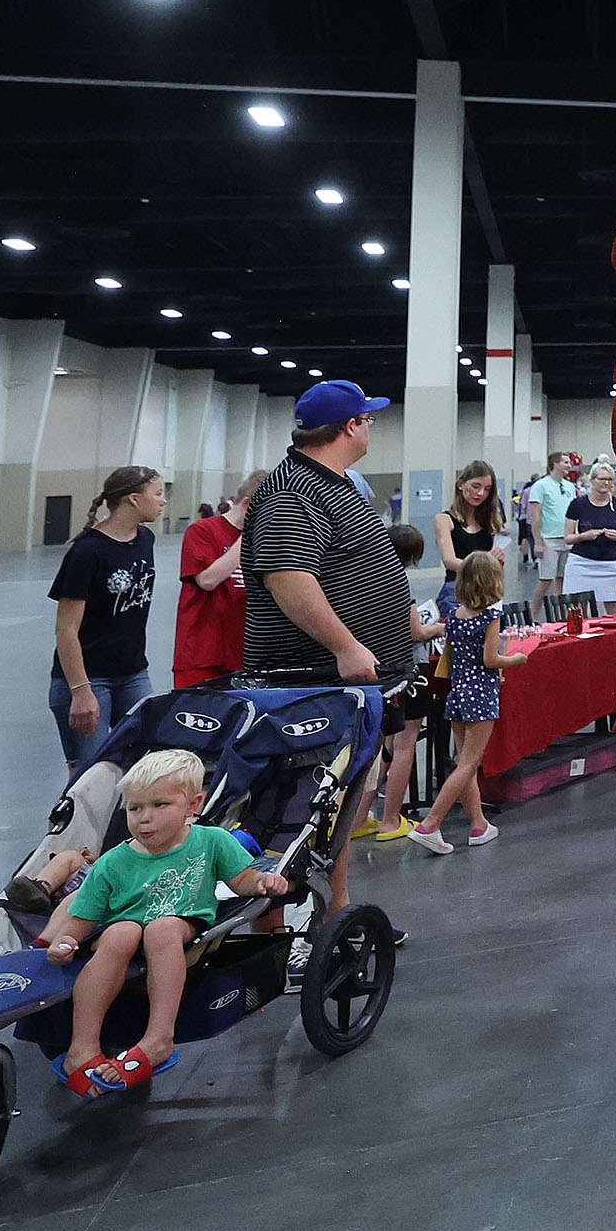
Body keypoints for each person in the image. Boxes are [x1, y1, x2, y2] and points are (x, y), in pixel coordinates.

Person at [240, 381, 413, 912]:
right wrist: (346, 646)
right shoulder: (294, 490)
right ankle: (285, 926)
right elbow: (287, 575)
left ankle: (334, 914)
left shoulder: (331, 483)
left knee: (331, 806)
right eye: (368, 418)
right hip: (307, 677)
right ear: (349, 427)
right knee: (300, 809)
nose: (370, 427)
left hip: (345, 681)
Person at [35, 748, 290, 1093]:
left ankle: (158, 1037)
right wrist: (66, 941)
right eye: (135, 808)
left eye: (160, 806)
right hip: (118, 928)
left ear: (193, 805)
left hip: (179, 924)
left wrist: (261, 882)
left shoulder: (212, 841)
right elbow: (85, 914)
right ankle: (81, 1049)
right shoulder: (113, 862)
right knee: (120, 933)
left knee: (162, 928)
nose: (144, 818)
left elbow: (240, 878)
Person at [50, 466, 166, 770]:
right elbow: (66, 628)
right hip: (89, 679)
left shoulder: (145, 540)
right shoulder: (87, 553)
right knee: (90, 777)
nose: (163, 501)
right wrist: (81, 690)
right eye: (158, 493)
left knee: (153, 760)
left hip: (133, 673)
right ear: (134, 500)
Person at [415, 549, 518, 852]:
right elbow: (490, 658)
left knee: (465, 764)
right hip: (481, 694)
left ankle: (479, 824)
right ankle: (431, 823)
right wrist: (514, 660)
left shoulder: (455, 617)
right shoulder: (492, 617)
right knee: (468, 764)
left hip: (457, 694)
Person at [351, 525, 443, 842]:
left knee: (379, 748)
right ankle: (391, 819)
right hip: (405, 668)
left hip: (377, 669)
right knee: (405, 744)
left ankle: (358, 818)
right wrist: (439, 627)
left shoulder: (364, 579)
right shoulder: (397, 581)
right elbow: (416, 632)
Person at [173, 472, 266, 689]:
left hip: (246, 654)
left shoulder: (269, 540)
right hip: (204, 655)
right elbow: (207, 580)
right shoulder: (202, 531)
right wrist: (249, 535)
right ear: (248, 505)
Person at [562, 458, 616, 610]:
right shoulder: (578, 504)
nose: (606, 483)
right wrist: (583, 536)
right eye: (602, 479)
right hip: (581, 563)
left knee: (615, 608)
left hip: (610, 565)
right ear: (592, 480)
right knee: (578, 609)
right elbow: (568, 538)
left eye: (610, 479)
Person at [433, 460, 507, 611]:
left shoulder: (489, 521)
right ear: (461, 484)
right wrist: (485, 564)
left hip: (487, 590)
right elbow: (449, 560)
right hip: (457, 590)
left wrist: (495, 559)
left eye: (487, 489)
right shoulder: (444, 519)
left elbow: (493, 561)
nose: (480, 493)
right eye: (475, 486)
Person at [526, 456, 576, 611]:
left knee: (562, 579)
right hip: (549, 540)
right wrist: (538, 542)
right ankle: (534, 614)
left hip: (567, 539)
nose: (569, 465)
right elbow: (535, 515)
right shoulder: (540, 486)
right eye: (565, 462)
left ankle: (560, 614)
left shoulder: (570, 487)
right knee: (546, 580)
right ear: (555, 464)